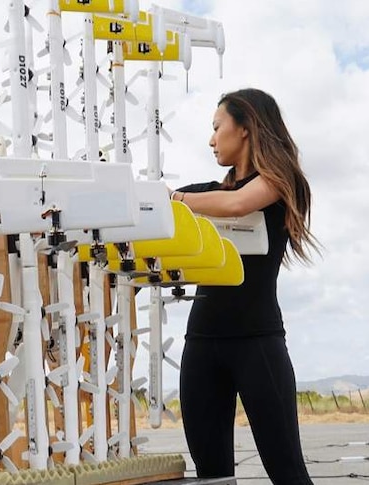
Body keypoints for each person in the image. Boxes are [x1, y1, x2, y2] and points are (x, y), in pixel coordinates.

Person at [170, 88, 320, 484]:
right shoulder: (206, 193)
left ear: (246, 127)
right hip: (201, 343)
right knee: (212, 476)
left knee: (287, 471)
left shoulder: (278, 183)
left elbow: (237, 204)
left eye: (217, 127)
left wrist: (176, 199)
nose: (211, 138)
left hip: (257, 342)